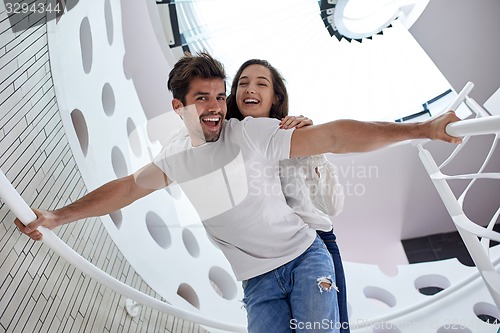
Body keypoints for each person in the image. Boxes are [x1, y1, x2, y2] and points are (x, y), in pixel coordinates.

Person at [15, 52, 462, 333]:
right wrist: (56, 216)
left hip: (307, 258)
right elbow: (127, 189)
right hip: (259, 283)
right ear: (179, 107)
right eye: (202, 99)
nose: (215, 106)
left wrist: (423, 128)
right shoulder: (174, 159)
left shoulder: (251, 133)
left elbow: (334, 137)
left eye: (217, 96)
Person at [226, 58, 349, 332]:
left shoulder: (292, 136)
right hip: (262, 258)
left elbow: (332, 205)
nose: (249, 89)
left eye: (261, 83)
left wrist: (313, 143)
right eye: (242, 83)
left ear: (275, 96)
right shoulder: (226, 142)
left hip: (313, 241)